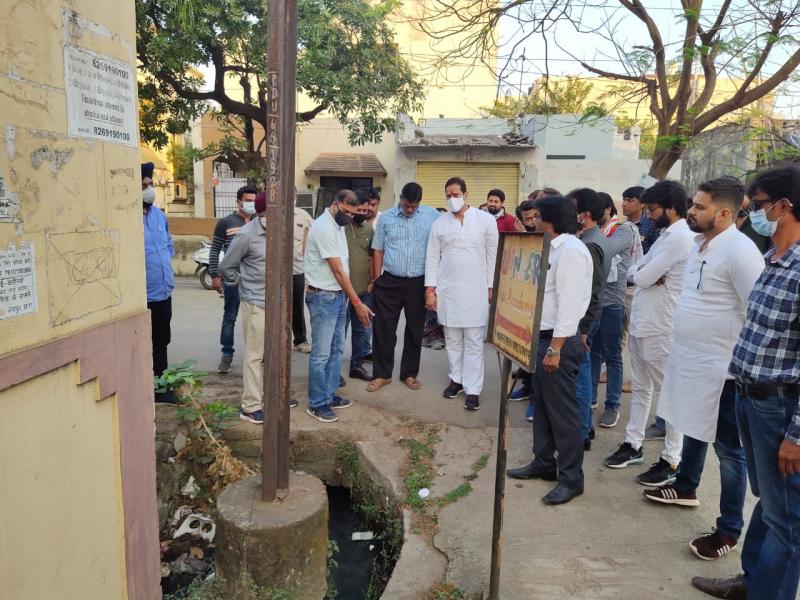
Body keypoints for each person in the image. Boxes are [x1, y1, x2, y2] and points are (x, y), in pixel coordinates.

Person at [693, 165, 800, 600]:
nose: (751, 215)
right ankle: (752, 582)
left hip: (781, 407)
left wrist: (796, 435)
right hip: (748, 398)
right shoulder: (773, 262)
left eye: (757, 207)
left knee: (788, 521)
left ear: (784, 207)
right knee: (771, 505)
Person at [643, 177, 763, 559]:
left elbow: (755, 315)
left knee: (729, 451)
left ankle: (728, 529)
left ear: (724, 213)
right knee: (693, 425)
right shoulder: (700, 244)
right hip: (690, 360)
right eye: (692, 205)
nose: (691, 211)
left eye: (699, 207)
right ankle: (685, 485)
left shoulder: (741, 253)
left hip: (724, 370)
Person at [603, 181, 693, 480]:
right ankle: (633, 443)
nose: (650, 215)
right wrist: (644, 274)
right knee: (641, 388)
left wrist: (644, 275)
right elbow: (635, 270)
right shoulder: (666, 236)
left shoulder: (681, 237)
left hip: (662, 325)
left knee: (671, 394)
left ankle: (671, 460)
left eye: (653, 210)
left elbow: (641, 277)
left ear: (670, 208)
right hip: (644, 320)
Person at [506, 196, 593, 505]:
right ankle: (543, 462)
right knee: (542, 406)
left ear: (551, 220)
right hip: (541, 339)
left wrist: (555, 348)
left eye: (538, 216)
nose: (533, 220)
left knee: (563, 413)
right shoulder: (552, 248)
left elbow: (569, 305)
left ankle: (571, 479)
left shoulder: (571, 252)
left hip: (558, 342)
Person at [425, 177, 498, 411]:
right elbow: (432, 257)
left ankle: (473, 389)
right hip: (449, 290)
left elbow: (492, 256)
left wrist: (491, 286)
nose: (451, 198)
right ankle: (456, 379)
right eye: (448, 194)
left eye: (455, 194)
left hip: (476, 290)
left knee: (475, 341)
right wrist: (430, 289)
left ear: (466, 195)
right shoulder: (440, 223)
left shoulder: (485, 220)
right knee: (453, 340)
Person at [303, 189, 374, 423]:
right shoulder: (324, 227)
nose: (350, 217)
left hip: (336, 297)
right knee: (321, 355)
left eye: (354, 214)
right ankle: (317, 403)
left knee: (335, 351)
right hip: (323, 298)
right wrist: (357, 302)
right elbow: (337, 270)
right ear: (336, 205)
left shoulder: (337, 225)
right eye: (347, 212)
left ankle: (330, 394)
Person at [367, 182, 440, 393]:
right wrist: (376, 279)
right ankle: (382, 374)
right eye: (407, 205)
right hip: (389, 282)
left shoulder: (431, 216)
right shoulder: (387, 218)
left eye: (414, 206)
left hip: (418, 283)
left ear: (420, 202)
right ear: (400, 199)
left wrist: (432, 287)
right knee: (383, 330)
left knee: (415, 331)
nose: (409, 210)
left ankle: (409, 373)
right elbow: (378, 249)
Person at [219, 192, 270, 424]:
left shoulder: (280, 231)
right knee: (254, 355)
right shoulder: (247, 235)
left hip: (276, 304)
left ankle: (269, 396)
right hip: (256, 302)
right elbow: (227, 266)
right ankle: (250, 406)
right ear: (262, 214)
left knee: (272, 354)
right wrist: (243, 284)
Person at [568, 188, 611, 450]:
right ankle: (585, 426)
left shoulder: (590, 245)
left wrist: (583, 329)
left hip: (584, 321)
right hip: (585, 319)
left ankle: (582, 431)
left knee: (581, 375)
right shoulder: (590, 238)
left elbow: (593, 292)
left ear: (583, 214)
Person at [590, 194, 639, 428]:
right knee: (592, 353)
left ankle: (612, 406)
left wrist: (587, 234)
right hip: (593, 302)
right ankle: (589, 398)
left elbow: (604, 250)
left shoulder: (623, 229)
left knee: (612, 356)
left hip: (612, 302)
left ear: (607, 210)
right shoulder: (595, 231)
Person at [209, 185, 256, 373]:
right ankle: (227, 354)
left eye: (254, 200)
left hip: (253, 281)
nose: (251, 204)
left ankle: (255, 356)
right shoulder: (226, 222)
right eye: (248, 201)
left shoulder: (260, 222)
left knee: (255, 320)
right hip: (232, 280)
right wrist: (215, 274)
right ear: (238, 202)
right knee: (230, 317)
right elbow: (215, 249)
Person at [142, 161, 175, 403]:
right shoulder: (128, 217)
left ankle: (161, 386)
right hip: (143, 295)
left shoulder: (158, 215)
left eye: (151, 184)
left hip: (163, 292)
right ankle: (148, 387)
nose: (149, 189)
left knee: (162, 340)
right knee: (146, 344)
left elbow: (169, 245)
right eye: (144, 185)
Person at [345, 190, 375, 382]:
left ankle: (356, 366)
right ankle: (332, 372)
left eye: (367, 210)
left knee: (361, 332)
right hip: (341, 292)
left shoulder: (369, 230)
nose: (364, 213)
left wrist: (373, 281)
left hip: (363, 291)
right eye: (361, 209)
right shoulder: (341, 227)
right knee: (337, 334)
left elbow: (372, 257)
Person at [292, 196, 314, 354]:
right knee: (272, 307)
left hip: (297, 269)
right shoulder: (270, 214)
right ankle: (274, 341)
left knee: (297, 306)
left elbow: (314, 235)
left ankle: (300, 339)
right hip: (274, 271)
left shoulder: (302, 215)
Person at [622, 185, 661, 254]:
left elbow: (657, 251)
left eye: (630, 201)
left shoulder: (651, 226)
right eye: (624, 200)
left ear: (642, 204)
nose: (624, 204)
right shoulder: (621, 226)